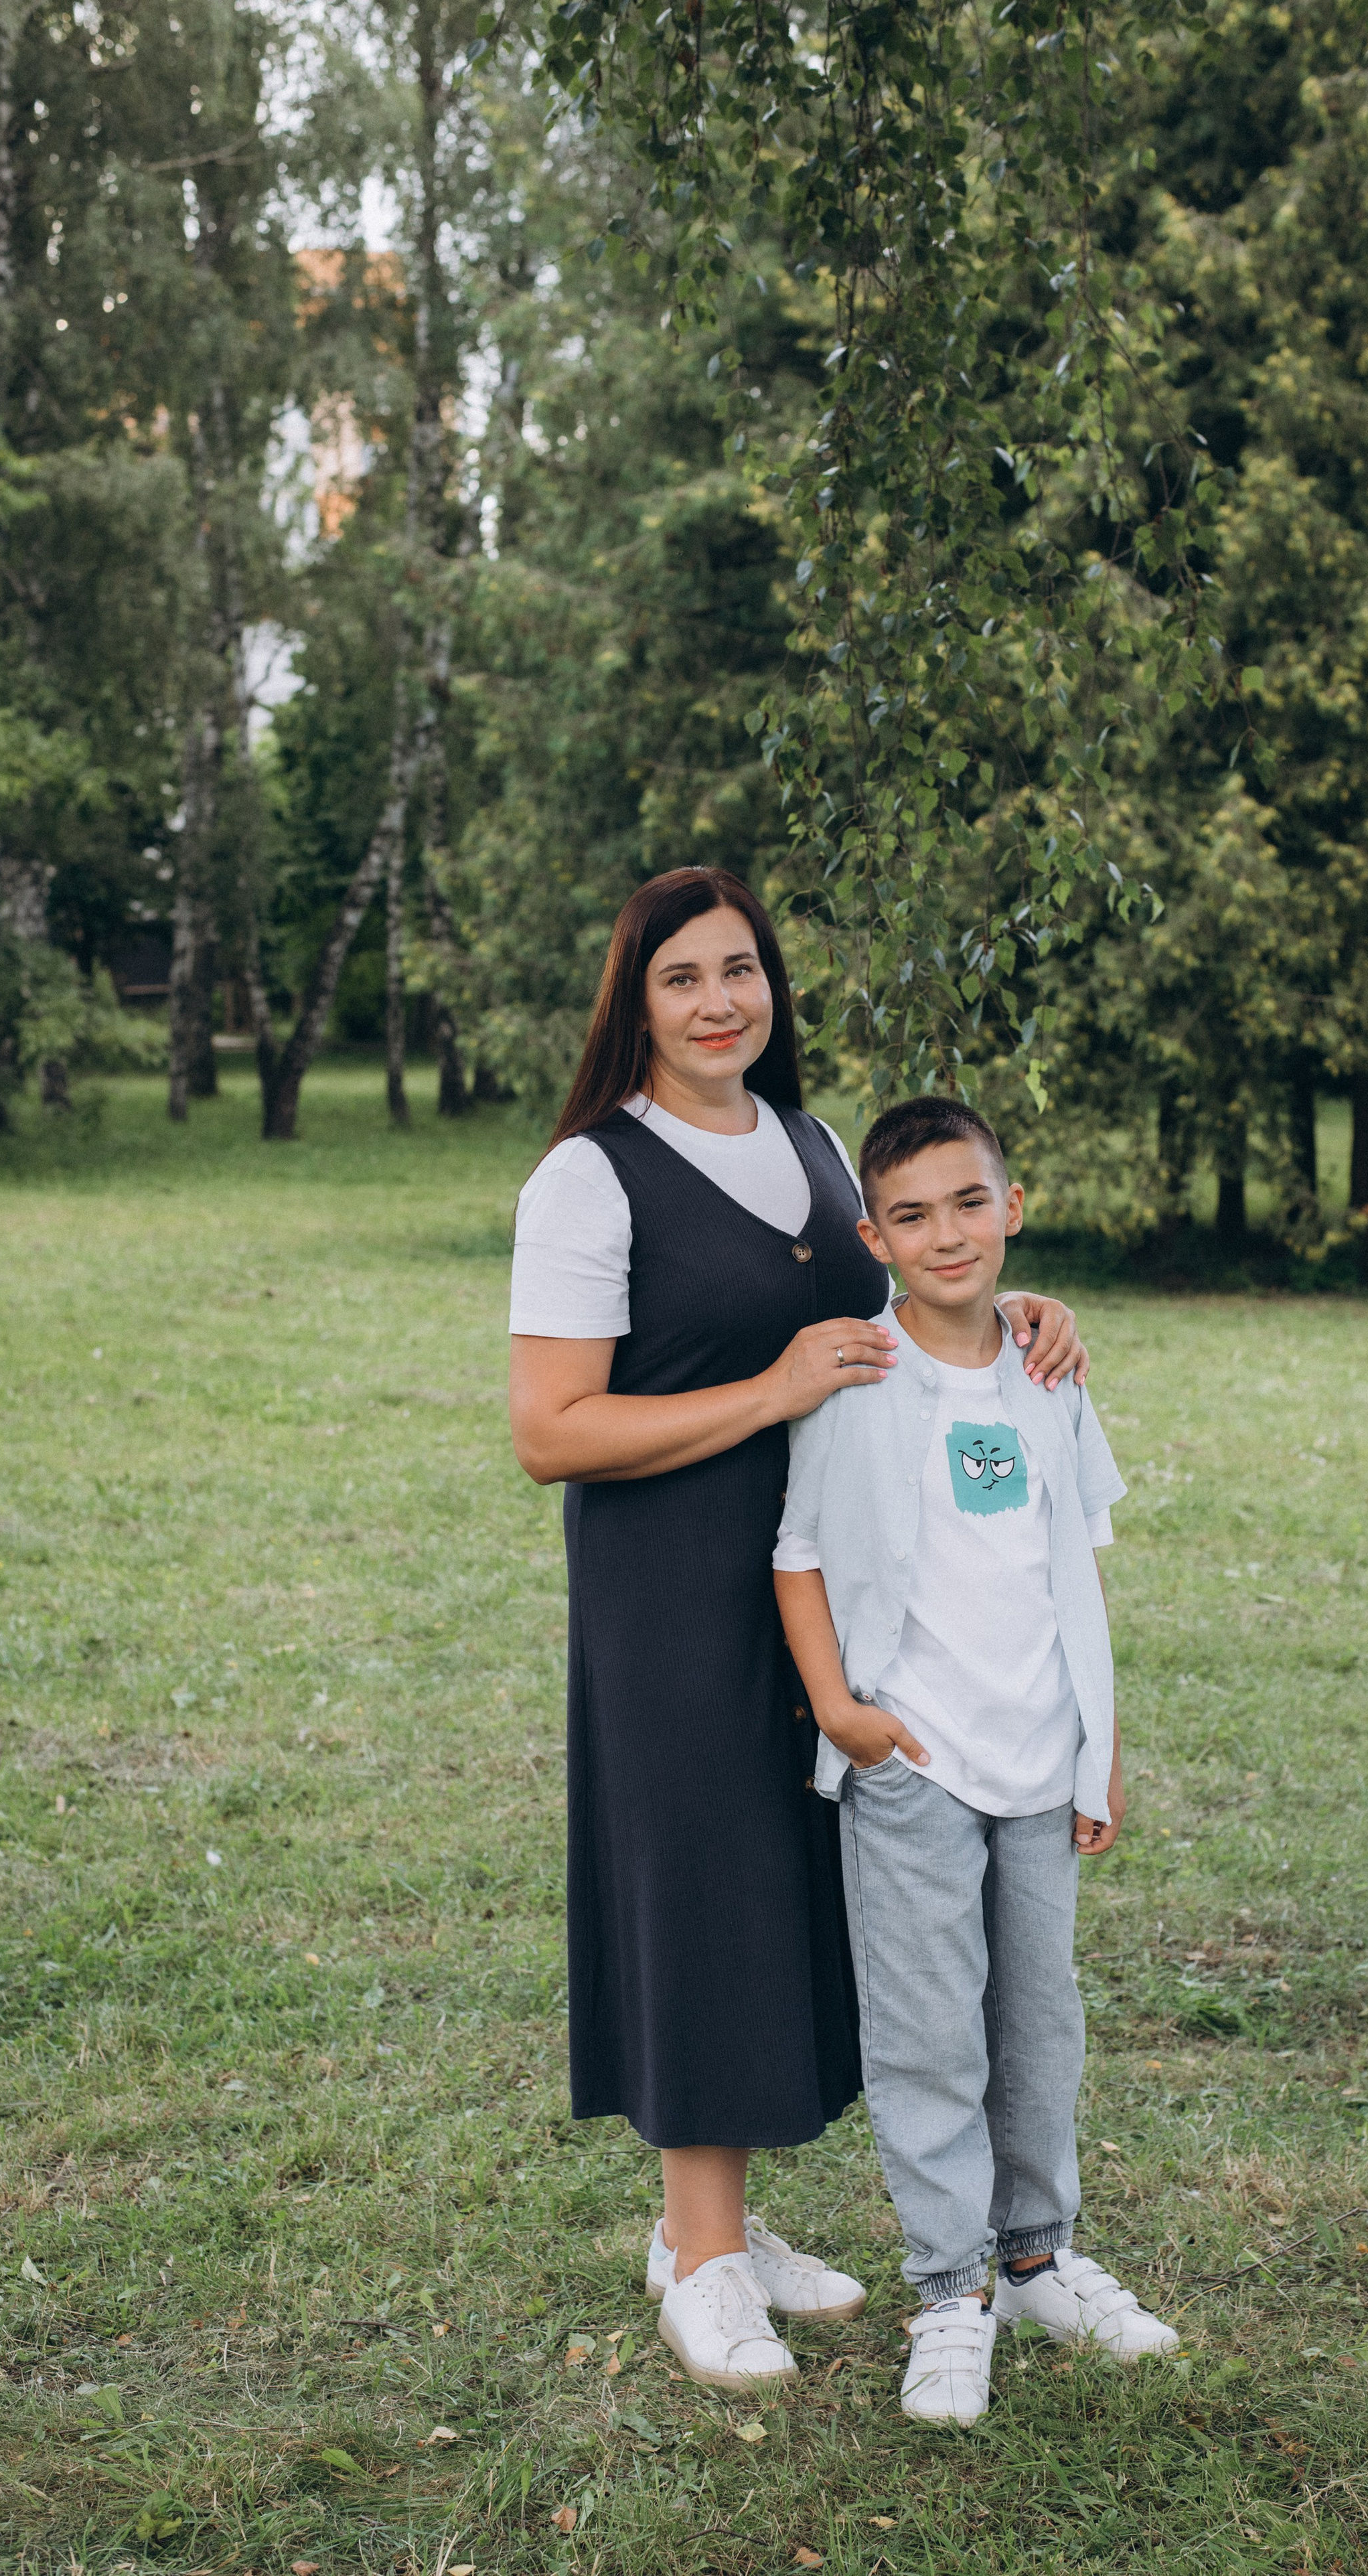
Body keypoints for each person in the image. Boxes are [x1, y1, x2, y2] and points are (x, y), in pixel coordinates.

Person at [506, 867, 1091, 2393]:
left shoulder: (813, 1144)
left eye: (743, 970)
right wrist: (765, 1395)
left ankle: (734, 2222)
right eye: (685, 977)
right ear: (635, 999)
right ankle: (696, 2255)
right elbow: (548, 1430)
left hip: (838, 1581)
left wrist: (1015, 1309)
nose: (721, 1002)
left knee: (789, 1890)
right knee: (699, 1885)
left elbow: (902, 1300)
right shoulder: (588, 1176)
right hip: (673, 1589)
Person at [773, 1094, 1180, 2425]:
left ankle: (1035, 2260)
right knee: (927, 2034)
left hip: (1037, 1754)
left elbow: (1073, 1570)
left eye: (967, 1203)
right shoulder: (858, 1374)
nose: (944, 1234)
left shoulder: (1048, 1366)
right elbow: (800, 1557)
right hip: (912, 1762)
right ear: (870, 1234)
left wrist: (1097, 1746)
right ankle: (947, 2289)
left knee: (1036, 2023)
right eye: (910, 1214)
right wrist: (842, 1710)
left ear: (1011, 1207)